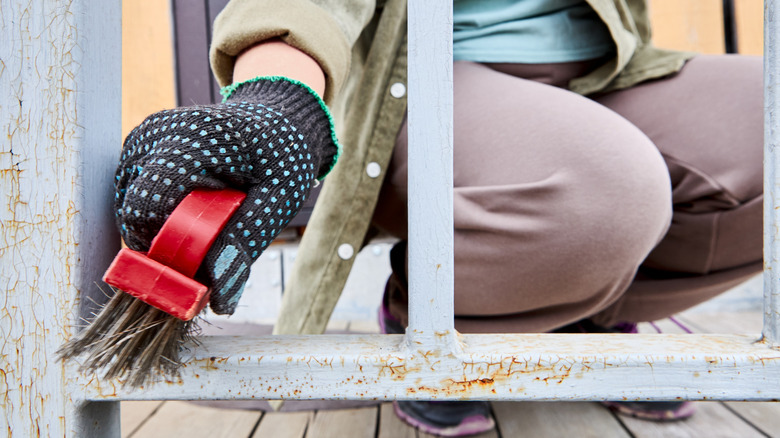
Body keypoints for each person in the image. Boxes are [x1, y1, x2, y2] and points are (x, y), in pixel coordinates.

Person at [117, 0, 762, 436]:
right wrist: (278, 94)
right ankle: (431, 309)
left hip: (607, 75)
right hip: (429, 83)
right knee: (614, 192)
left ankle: (576, 314)